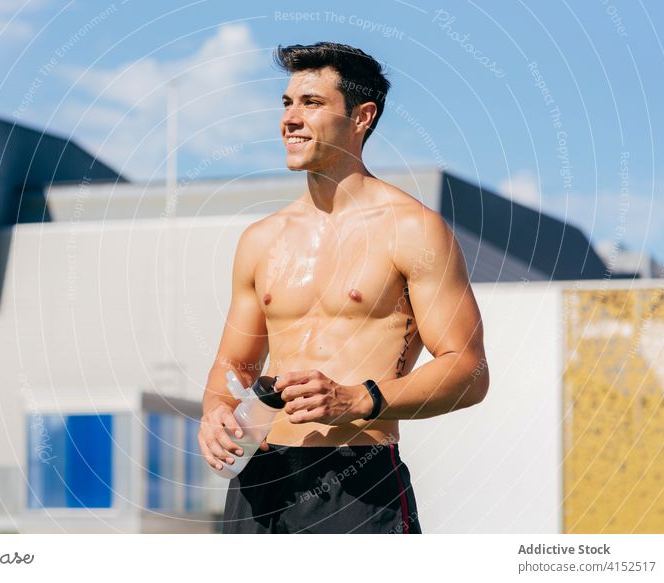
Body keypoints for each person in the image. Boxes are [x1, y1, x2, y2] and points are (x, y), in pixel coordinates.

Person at [198, 41, 489, 534]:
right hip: (258, 480)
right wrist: (215, 414)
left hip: (356, 478)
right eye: (287, 103)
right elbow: (234, 365)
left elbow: (469, 368)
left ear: (362, 117)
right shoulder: (261, 240)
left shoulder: (413, 230)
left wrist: (358, 399)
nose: (290, 118)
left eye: (311, 103)